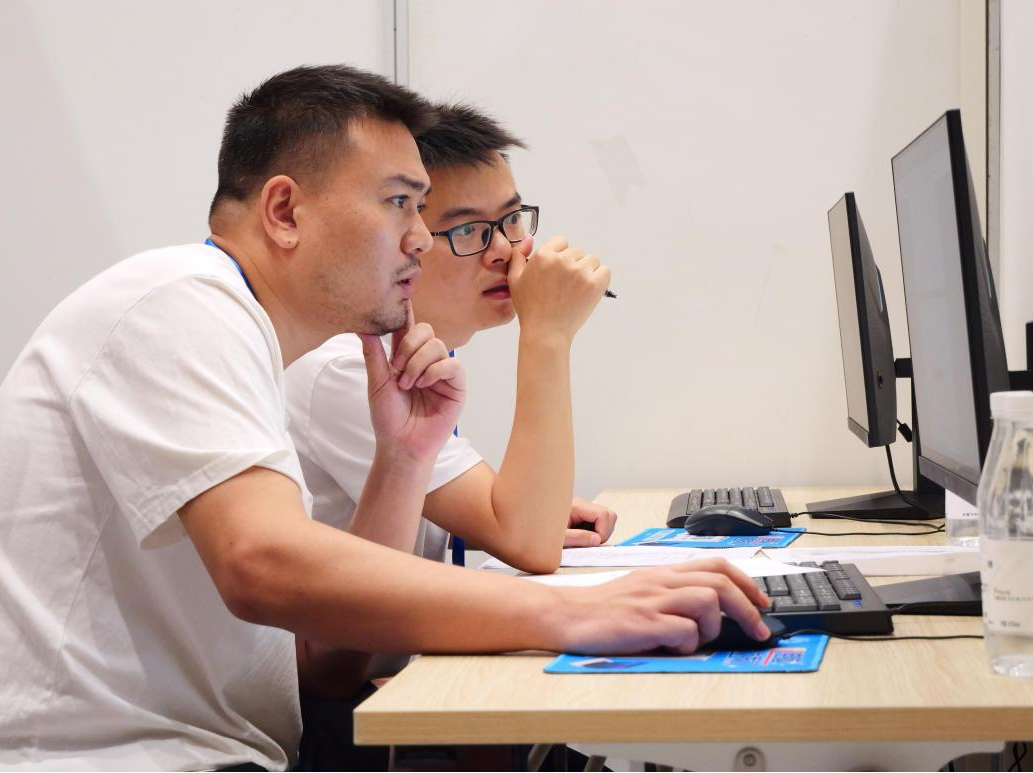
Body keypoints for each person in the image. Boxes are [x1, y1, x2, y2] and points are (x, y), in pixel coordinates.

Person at [0, 65, 773, 772]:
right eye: (400, 202)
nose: (419, 237)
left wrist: (402, 458)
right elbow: (261, 563)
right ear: (285, 211)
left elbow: (327, 664)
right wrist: (570, 611)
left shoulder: (250, 339)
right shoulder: (182, 300)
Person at [286, 101, 618, 586]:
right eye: (468, 230)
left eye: (512, 219)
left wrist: (531, 508)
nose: (504, 250)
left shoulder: (419, 349)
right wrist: (547, 334)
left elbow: (518, 524)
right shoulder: (347, 366)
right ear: (406, 237)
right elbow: (531, 542)